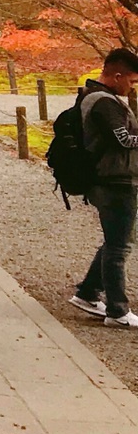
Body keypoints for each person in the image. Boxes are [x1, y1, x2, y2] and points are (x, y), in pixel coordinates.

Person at [70, 48, 138, 327]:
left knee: (116, 240)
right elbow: (122, 139)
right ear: (118, 75)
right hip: (114, 180)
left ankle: (87, 292)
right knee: (119, 247)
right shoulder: (104, 102)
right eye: (132, 81)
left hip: (111, 178)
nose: (132, 87)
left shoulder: (93, 97)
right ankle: (117, 311)